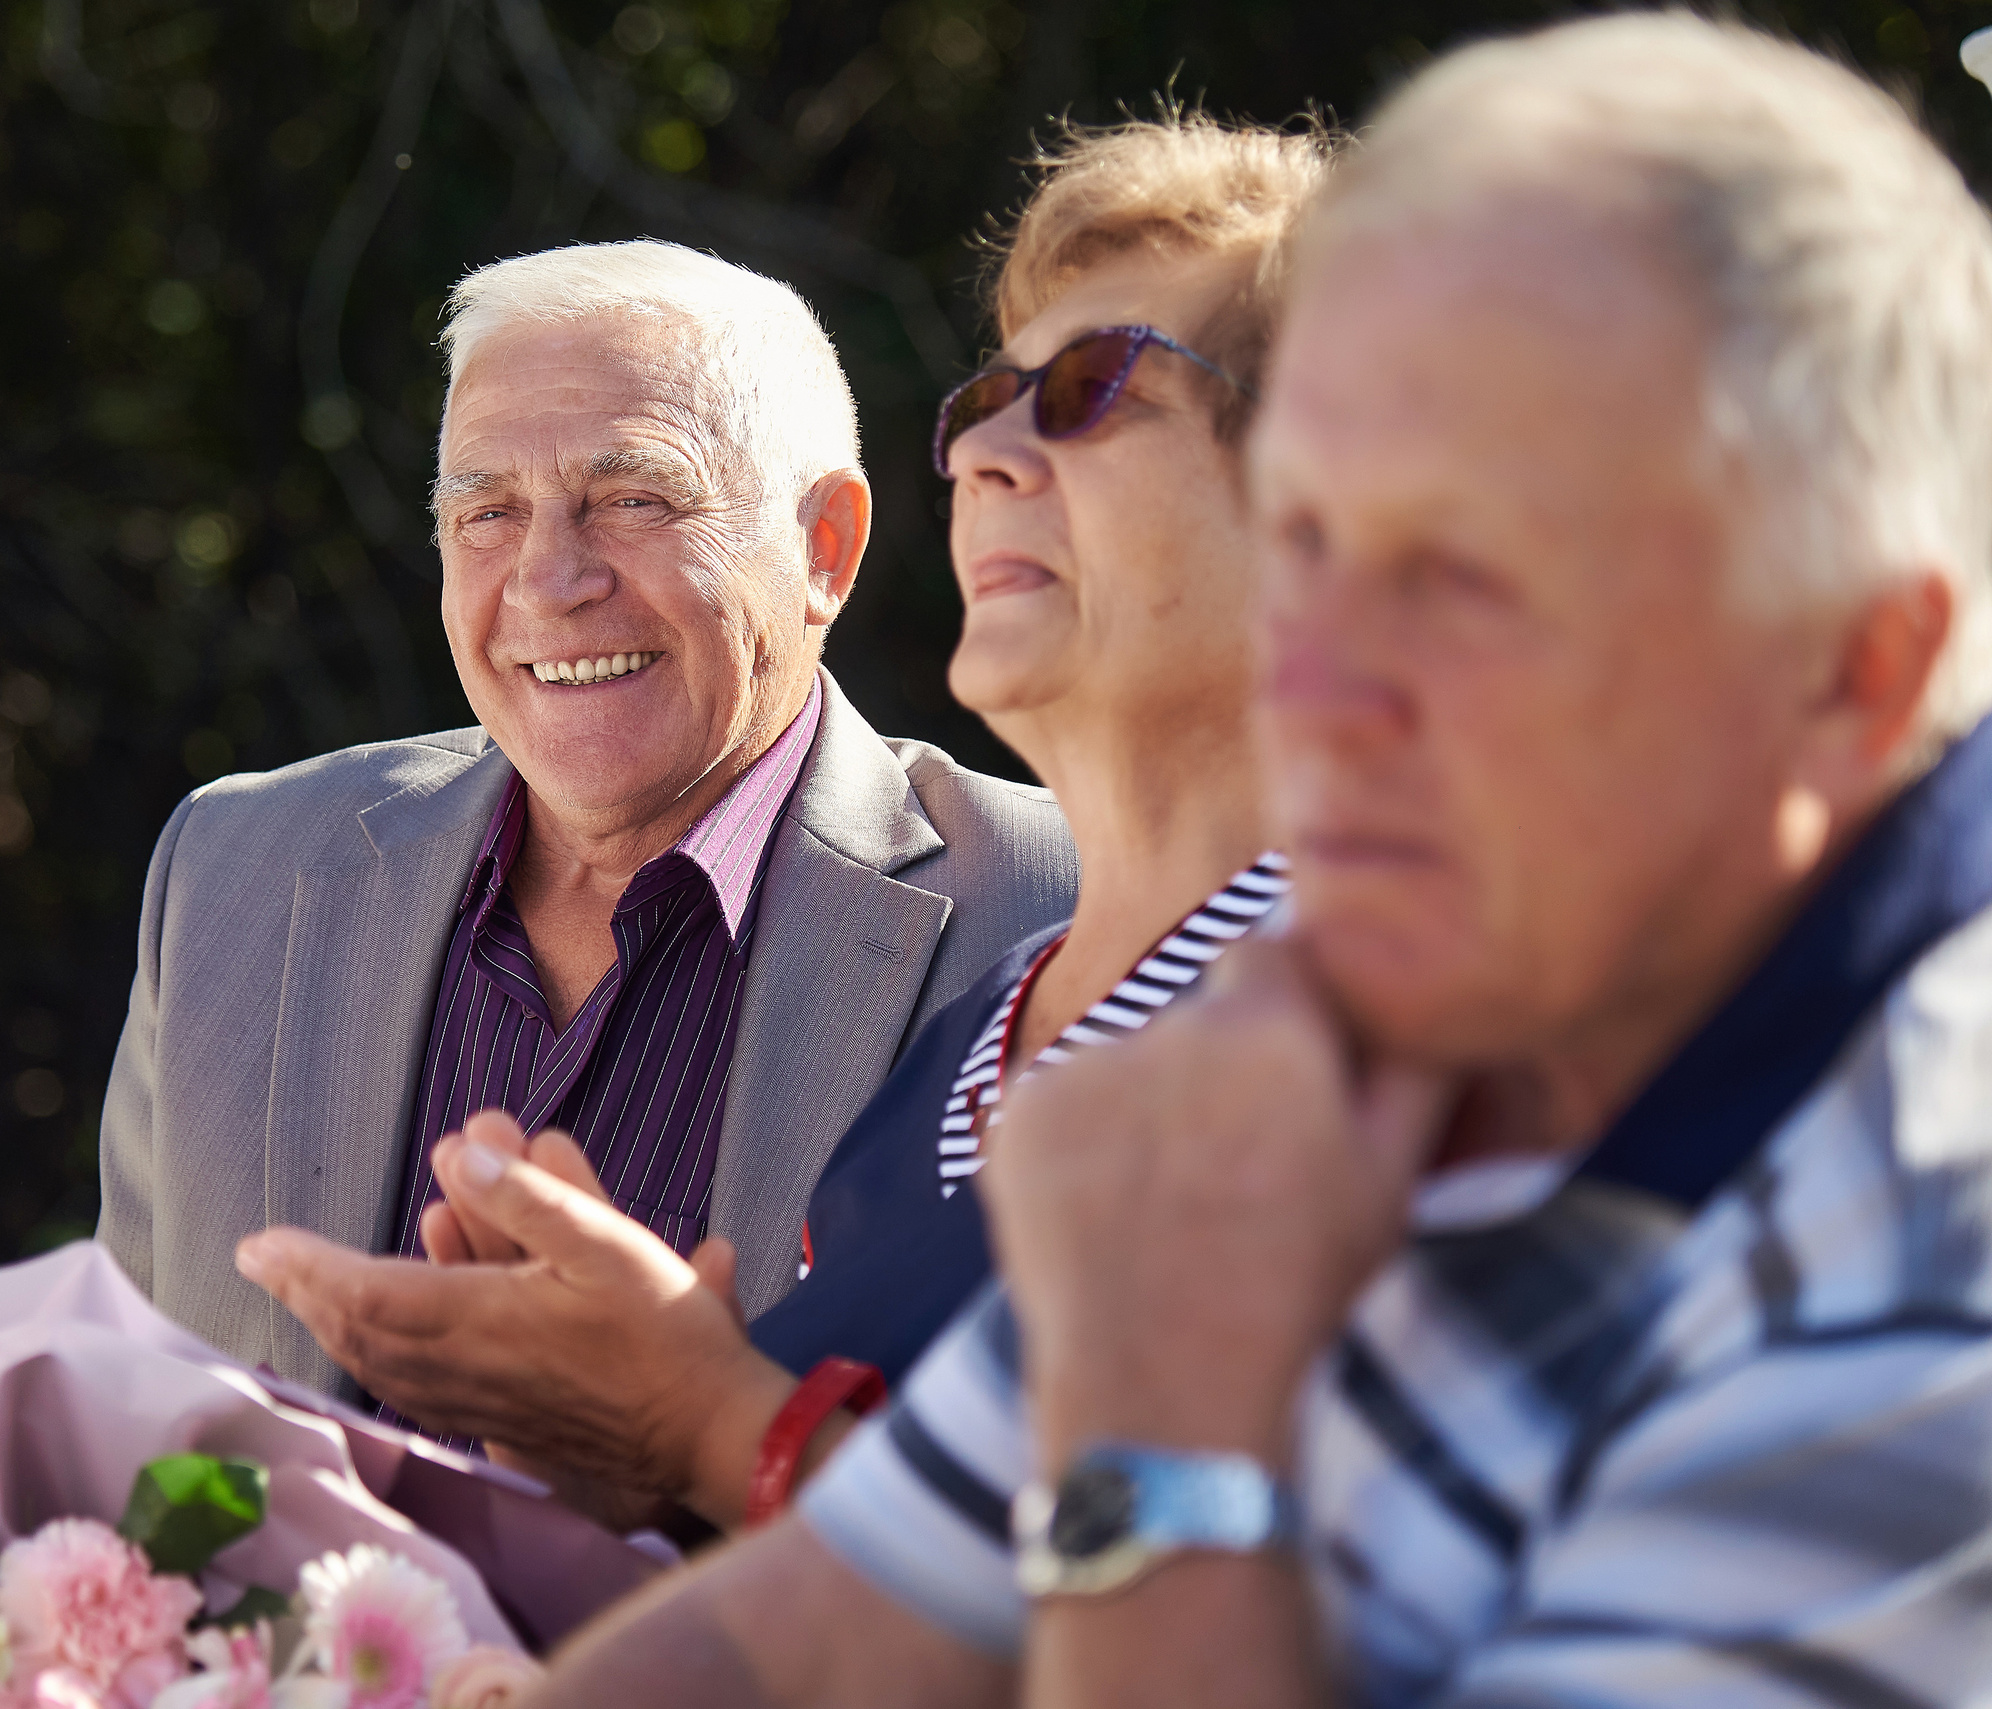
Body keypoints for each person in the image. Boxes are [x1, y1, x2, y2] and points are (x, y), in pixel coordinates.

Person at [511, 14, 1992, 1707]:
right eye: (1308, 542)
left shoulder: (1930, 1265)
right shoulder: (1356, 1020)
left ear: (1847, 671)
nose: (1323, 677)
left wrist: (1154, 1398)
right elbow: (804, 1633)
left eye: (1465, 576)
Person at [235, 117, 1328, 1527]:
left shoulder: (1410, 1006)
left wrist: (707, 1421)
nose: (987, 446)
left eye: (1094, 387)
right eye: (992, 396)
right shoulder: (982, 1033)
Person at [99, 240, 1078, 1390]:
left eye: (634, 498)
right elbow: (123, 1420)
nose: (548, 579)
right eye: (489, 513)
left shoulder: (1067, 907)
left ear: (825, 548)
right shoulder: (237, 868)